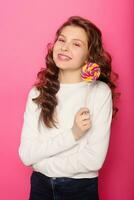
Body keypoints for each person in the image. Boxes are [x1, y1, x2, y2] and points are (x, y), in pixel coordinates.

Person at [18, 16, 119, 200]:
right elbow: (26, 154)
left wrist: (43, 165)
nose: (64, 47)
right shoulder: (37, 93)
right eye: (62, 40)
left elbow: (94, 159)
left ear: (89, 54)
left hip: (80, 189)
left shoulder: (98, 92)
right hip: (40, 187)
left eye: (76, 44)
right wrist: (73, 134)